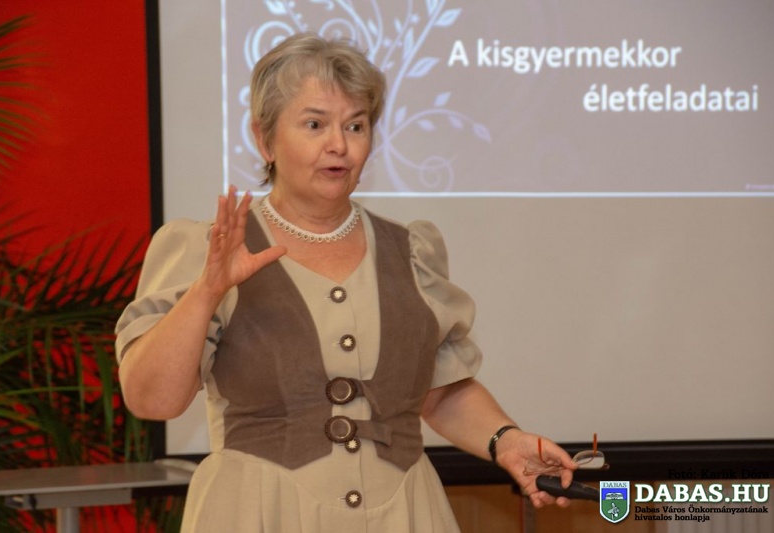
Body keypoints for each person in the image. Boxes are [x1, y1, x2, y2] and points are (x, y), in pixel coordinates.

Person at [115, 32, 577, 532]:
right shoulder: (210, 249)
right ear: (264, 138)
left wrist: (506, 440)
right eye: (315, 124)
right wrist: (207, 291)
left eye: (355, 125)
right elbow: (153, 401)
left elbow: (440, 391)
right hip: (259, 513)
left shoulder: (411, 252)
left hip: (403, 515)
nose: (339, 145)